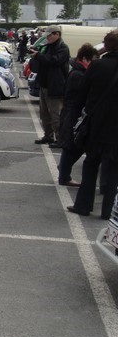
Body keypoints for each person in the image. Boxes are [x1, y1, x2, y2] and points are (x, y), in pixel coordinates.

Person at [68, 30, 118, 219]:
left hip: (97, 126)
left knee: (90, 166)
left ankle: (83, 205)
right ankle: (108, 211)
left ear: (107, 45)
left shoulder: (97, 66)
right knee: (113, 171)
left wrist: (76, 120)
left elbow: (81, 95)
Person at [57, 43, 99, 186]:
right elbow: (84, 94)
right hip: (73, 113)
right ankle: (64, 175)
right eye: (92, 60)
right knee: (73, 145)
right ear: (85, 58)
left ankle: (64, 171)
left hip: (71, 111)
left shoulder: (77, 70)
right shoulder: (79, 74)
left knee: (72, 145)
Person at [28, 25, 69, 145]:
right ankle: (48, 136)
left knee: (56, 115)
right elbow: (43, 60)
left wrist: (38, 55)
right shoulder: (48, 46)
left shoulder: (63, 48)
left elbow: (54, 61)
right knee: (44, 114)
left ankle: (60, 139)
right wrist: (35, 54)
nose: (48, 38)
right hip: (45, 84)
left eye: (50, 35)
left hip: (55, 86)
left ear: (57, 34)